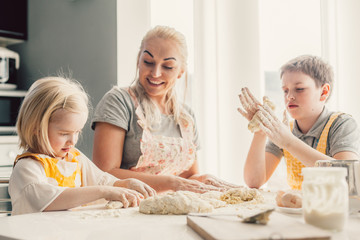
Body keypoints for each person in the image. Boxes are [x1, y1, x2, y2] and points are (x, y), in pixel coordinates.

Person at [92, 25, 238, 193]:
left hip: (168, 212)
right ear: (138, 60)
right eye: (148, 62)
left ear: (181, 72)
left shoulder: (186, 117)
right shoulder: (118, 102)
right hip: (124, 209)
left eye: (167, 66)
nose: (155, 73)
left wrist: (203, 180)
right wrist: (169, 183)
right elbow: (103, 173)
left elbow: (188, 177)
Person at [8, 77, 156, 215]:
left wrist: (125, 184)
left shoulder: (74, 157)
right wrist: (103, 191)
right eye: (64, 133)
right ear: (36, 128)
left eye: (77, 132)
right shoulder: (27, 167)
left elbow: (102, 181)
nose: (72, 141)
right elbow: (49, 199)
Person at [238, 55, 360, 190]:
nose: (289, 96)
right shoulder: (283, 130)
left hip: (335, 209)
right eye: (285, 90)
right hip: (300, 209)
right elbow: (254, 181)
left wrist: (289, 142)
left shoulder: (341, 124)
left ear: (324, 92)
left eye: (299, 89)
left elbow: (349, 177)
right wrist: (261, 131)